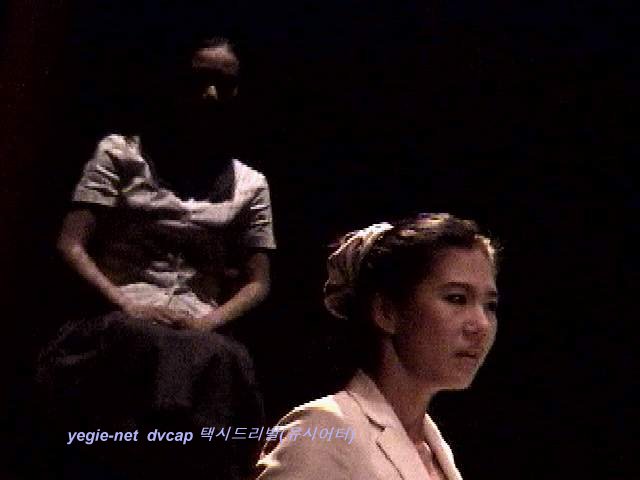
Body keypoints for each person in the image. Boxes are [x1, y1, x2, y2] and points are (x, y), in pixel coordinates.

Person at [37, 37, 275, 479]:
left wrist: (209, 320)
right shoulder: (120, 154)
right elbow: (71, 244)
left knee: (221, 359)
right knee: (144, 343)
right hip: (118, 313)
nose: (210, 95)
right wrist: (126, 303)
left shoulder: (249, 184)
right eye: (199, 80)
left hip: (199, 324)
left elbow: (258, 281)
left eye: (224, 84)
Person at [256, 213, 498, 480]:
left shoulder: (434, 448)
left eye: (490, 305)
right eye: (456, 298)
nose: (482, 324)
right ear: (386, 311)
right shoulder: (325, 430)